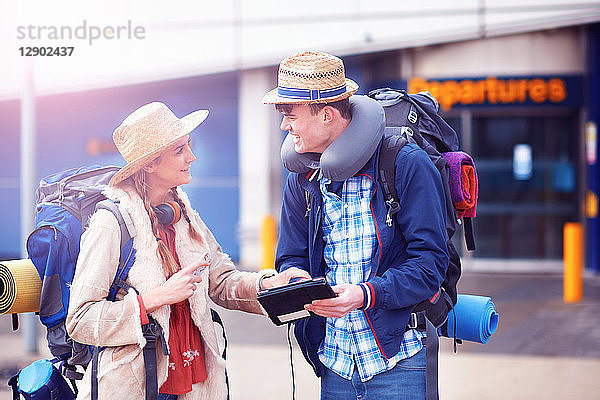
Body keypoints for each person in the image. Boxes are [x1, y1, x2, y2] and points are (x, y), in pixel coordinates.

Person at [66, 102, 308, 400]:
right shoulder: (111, 223)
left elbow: (221, 282)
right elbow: (80, 320)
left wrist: (272, 285)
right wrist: (156, 298)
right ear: (150, 163)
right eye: (179, 150)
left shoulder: (184, 214)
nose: (191, 157)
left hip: (194, 382)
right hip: (137, 387)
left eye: (188, 147)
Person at [263, 51, 449, 399]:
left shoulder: (405, 163)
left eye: (290, 116)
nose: (284, 127)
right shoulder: (301, 178)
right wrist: (297, 279)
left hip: (399, 360)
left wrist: (365, 295)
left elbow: (430, 265)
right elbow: (290, 256)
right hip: (335, 362)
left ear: (327, 115)